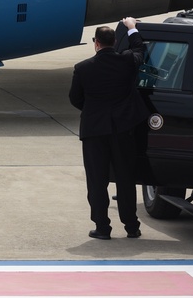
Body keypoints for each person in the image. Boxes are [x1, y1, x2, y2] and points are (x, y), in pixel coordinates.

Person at [69, 18, 147, 240]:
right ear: (114, 42)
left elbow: (75, 98)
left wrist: (93, 111)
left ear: (96, 43)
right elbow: (139, 49)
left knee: (97, 181)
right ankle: (131, 226)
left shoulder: (83, 68)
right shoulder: (127, 61)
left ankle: (102, 227)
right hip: (122, 129)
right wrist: (132, 29)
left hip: (95, 130)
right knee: (125, 178)